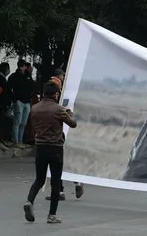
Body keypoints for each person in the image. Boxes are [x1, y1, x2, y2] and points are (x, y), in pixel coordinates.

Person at [23, 81, 77, 224]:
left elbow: (34, 126)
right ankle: (52, 215)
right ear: (55, 94)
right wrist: (69, 112)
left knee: (39, 179)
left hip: (40, 147)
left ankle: (29, 201)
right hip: (55, 148)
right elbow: (73, 123)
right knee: (55, 182)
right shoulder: (58, 109)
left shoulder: (34, 109)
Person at [44, 69, 84, 201]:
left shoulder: (54, 88)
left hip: (55, 129)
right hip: (64, 126)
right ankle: (76, 182)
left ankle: (59, 191)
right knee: (64, 159)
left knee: (55, 162)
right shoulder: (66, 88)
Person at [9, 59, 31, 148]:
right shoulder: (14, 76)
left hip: (27, 102)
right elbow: (9, 89)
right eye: (25, 66)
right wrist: (15, 99)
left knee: (23, 122)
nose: (26, 68)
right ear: (22, 66)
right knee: (17, 122)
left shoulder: (27, 76)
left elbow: (31, 86)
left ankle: (20, 141)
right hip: (19, 101)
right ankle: (16, 141)